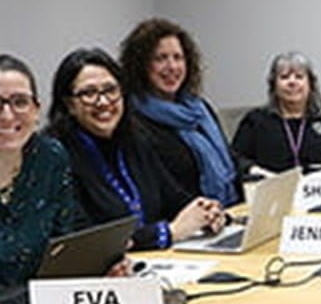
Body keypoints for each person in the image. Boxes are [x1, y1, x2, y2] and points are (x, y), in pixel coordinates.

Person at [47, 48, 224, 250]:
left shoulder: (136, 139)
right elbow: (84, 241)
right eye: (88, 93)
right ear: (69, 104)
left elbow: (174, 197)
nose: (103, 102)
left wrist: (207, 210)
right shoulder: (55, 157)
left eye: (110, 90)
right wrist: (170, 232)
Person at [119, 17, 242, 206]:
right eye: (160, 58)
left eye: (178, 57)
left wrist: (254, 172)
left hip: (227, 215)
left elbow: (230, 159)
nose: (172, 67)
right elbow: (159, 189)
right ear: (141, 65)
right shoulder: (134, 121)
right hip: (183, 225)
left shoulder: (200, 109)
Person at [0, 54, 78, 287]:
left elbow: (64, 242)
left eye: (20, 101)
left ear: (36, 110)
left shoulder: (50, 157)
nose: (7, 115)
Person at [231, 51, 321, 177]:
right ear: (274, 85)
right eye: (284, 77)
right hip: (273, 191)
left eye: (299, 77)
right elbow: (235, 159)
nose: (292, 82)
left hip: (320, 192)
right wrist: (256, 171)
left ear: (311, 84)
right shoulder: (256, 121)